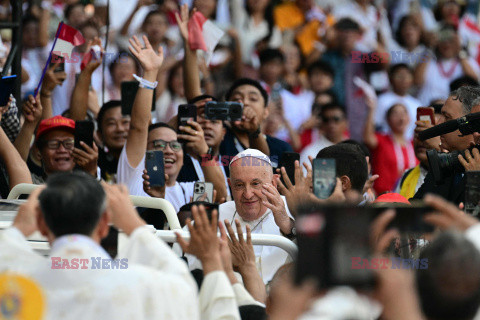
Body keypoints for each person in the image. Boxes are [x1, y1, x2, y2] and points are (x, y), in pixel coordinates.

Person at [0, 172, 200, 319]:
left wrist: (17, 229)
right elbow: (183, 287)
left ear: (41, 225)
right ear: (105, 224)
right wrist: (134, 225)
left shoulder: (15, 281)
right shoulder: (145, 285)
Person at [116, 35, 226, 211]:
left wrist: (204, 151)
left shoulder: (191, 189)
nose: (168, 151)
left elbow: (220, 196)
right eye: (158, 144)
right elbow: (139, 126)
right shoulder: (134, 173)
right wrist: (150, 74)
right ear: (143, 150)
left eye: (175, 146)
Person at [184, 149, 295, 284]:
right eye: (239, 185)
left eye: (255, 184)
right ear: (230, 185)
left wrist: (288, 226)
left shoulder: (294, 209)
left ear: (274, 182)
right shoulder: (216, 215)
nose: (248, 194)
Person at [413, 86, 480, 204]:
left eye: (447, 118)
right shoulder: (445, 163)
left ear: (471, 125)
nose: (438, 123)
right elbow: (416, 207)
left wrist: (475, 180)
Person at [221, 78, 293, 170]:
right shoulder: (216, 141)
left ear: (266, 112)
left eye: (253, 99)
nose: (245, 103)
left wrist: (254, 130)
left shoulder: (282, 148)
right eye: (237, 99)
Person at [364, 99, 418, 195]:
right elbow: (367, 138)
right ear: (388, 120)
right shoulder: (382, 140)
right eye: (395, 114)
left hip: (410, 198)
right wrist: (371, 110)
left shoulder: (414, 144)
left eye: (403, 113)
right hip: (384, 197)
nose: (400, 117)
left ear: (409, 118)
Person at [395, 105, 444, 199]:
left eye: (430, 133)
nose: (422, 139)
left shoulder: (457, 176)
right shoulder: (407, 176)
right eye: (418, 132)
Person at [375, 63, 422, 140]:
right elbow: (377, 126)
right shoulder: (381, 100)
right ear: (391, 79)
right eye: (399, 76)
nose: (403, 79)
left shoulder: (417, 104)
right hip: (387, 144)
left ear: (412, 79)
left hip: (409, 146)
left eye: (407, 76)